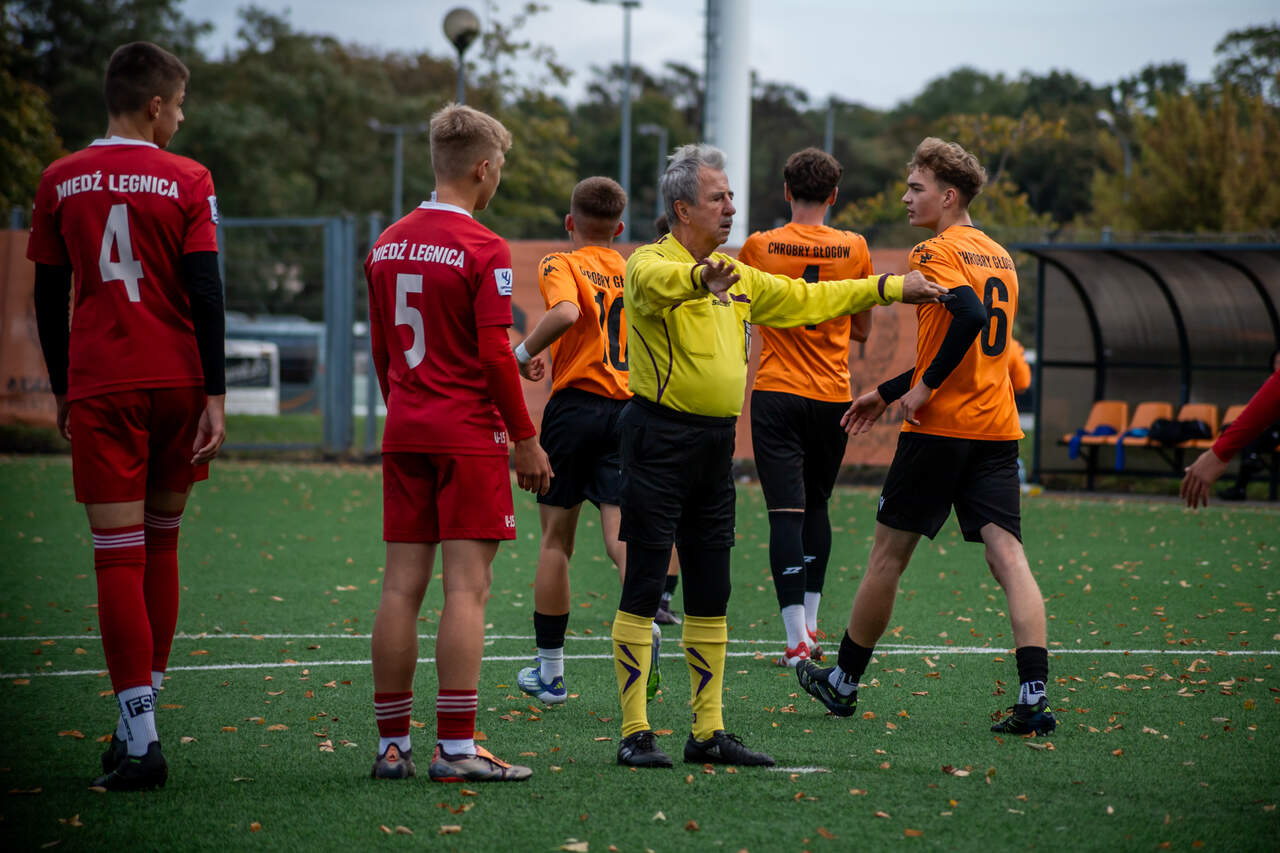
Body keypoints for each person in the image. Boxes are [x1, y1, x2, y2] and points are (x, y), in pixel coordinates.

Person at [610, 143, 945, 769]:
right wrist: (698, 278)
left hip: (715, 446)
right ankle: (635, 732)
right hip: (658, 439)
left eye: (731, 197)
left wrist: (893, 286)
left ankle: (707, 732)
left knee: (712, 590)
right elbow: (655, 285)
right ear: (683, 209)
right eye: (719, 198)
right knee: (645, 583)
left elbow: (807, 299)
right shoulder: (650, 262)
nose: (731, 208)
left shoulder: (737, 272)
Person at [797, 138, 1056, 738]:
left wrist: (922, 390)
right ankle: (1034, 696)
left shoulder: (933, 251)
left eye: (916, 188)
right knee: (1009, 557)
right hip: (996, 429)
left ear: (949, 196)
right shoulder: (1001, 257)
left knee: (887, 557)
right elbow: (967, 343)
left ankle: (843, 682)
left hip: (940, 430)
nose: (906, 198)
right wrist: (890, 391)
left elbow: (967, 318)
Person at [27, 42, 226, 791]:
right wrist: (216, 394)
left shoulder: (59, 178)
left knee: (118, 555)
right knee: (161, 542)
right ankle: (134, 728)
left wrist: (62, 388)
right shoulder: (189, 178)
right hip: (177, 380)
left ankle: (140, 737)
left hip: (103, 384)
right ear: (154, 104)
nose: (181, 119)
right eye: (179, 106)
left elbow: (49, 295)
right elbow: (206, 289)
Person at [365, 103, 553, 784]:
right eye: (498, 168)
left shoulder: (385, 244)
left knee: (399, 587)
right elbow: (494, 354)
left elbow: (384, 351)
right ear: (482, 168)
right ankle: (454, 748)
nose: (497, 178)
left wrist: (407, 410)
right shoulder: (483, 247)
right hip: (467, 435)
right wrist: (525, 439)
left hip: (406, 428)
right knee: (467, 590)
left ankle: (392, 747)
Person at [511, 177, 667, 705]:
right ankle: (644, 628)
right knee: (622, 537)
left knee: (557, 540)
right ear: (620, 228)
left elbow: (567, 313)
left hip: (575, 409)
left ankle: (551, 674)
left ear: (569, 222)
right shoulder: (636, 268)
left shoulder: (561, 262)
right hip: (628, 410)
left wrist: (520, 354)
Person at [736, 147, 875, 667]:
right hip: (832, 394)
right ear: (834, 195)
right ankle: (812, 626)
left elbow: (740, 308)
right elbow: (862, 329)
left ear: (786, 191)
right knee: (817, 506)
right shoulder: (855, 246)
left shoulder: (759, 245)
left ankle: (796, 639)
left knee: (784, 514)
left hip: (777, 392)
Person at [1182, 351, 1280, 507]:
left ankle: (1248, 467)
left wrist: (1220, 451)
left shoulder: (1274, 385)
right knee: (1248, 437)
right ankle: (1245, 473)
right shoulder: (1270, 383)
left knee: (1254, 438)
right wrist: (1221, 450)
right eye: (1277, 362)